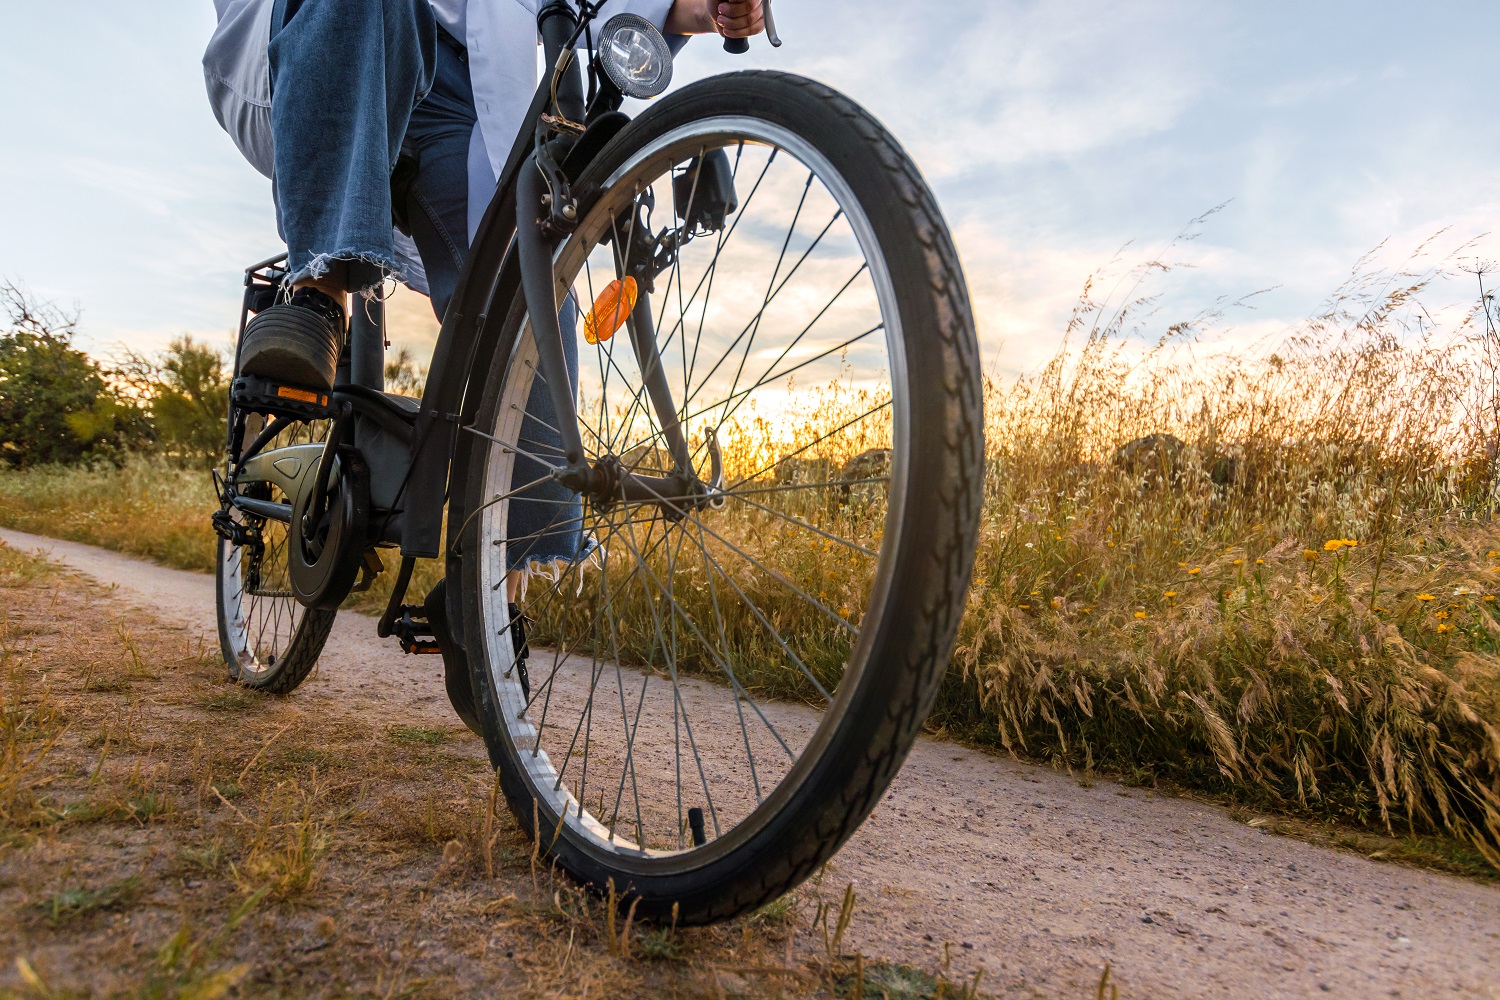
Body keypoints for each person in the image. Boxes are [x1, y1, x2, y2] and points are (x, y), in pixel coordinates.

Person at [203, 0, 766, 678]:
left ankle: (490, 604)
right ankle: (322, 292)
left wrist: (703, 8)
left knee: (529, 300)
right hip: (322, 39)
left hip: (458, 96)